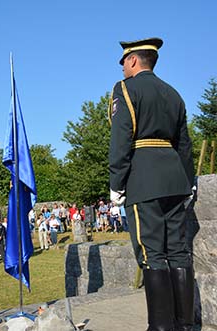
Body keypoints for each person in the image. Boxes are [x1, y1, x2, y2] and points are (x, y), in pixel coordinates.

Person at [109, 37, 194, 331]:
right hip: (176, 181)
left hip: (143, 180)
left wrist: (116, 181)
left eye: (123, 62)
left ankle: (160, 327)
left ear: (133, 60)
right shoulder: (174, 94)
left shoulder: (125, 90)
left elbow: (121, 139)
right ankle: (184, 325)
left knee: (151, 254)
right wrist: (189, 181)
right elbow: (184, 144)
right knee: (179, 252)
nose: (121, 68)